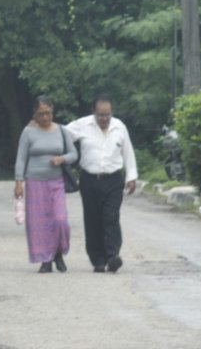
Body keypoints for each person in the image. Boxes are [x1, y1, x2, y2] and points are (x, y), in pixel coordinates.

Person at [66, 96, 138, 273]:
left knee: (111, 217)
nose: (104, 119)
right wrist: (39, 128)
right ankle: (97, 259)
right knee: (93, 220)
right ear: (93, 112)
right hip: (89, 179)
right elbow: (60, 133)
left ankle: (113, 255)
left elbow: (127, 152)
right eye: (100, 115)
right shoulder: (82, 125)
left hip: (113, 179)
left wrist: (131, 175)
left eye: (108, 115)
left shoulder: (119, 127)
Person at [14, 97, 78, 273]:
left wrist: (62, 158)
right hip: (34, 182)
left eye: (48, 113)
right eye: (41, 114)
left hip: (57, 181)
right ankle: (45, 260)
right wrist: (18, 182)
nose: (45, 117)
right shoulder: (28, 132)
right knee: (39, 224)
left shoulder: (62, 131)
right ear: (35, 113)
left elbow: (74, 154)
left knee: (60, 220)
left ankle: (58, 252)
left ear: (53, 111)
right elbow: (21, 158)